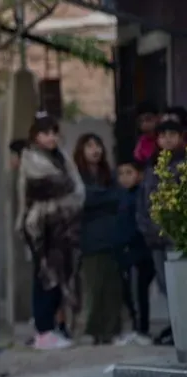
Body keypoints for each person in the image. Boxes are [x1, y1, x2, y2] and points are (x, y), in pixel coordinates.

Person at [17, 116, 84, 350]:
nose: (51, 137)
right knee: (45, 277)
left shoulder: (62, 157)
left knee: (62, 276)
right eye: (45, 133)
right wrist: (66, 187)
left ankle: (55, 326)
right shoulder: (31, 158)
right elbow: (53, 186)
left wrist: (68, 189)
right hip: (41, 228)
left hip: (64, 227)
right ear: (36, 136)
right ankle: (43, 330)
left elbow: (77, 188)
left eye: (54, 133)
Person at [72, 133, 124, 344]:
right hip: (89, 240)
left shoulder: (108, 175)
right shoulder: (77, 175)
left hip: (111, 238)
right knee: (93, 287)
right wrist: (102, 198)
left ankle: (111, 331)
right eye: (90, 146)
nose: (95, 150)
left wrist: (99, 198)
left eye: (98, 145)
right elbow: (84, 198)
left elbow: (117, 197)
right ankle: (90, 331)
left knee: (112, 288)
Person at [136, 117, 185, 345]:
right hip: (154, 237)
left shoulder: (183, 163)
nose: (167, 139)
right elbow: (143, 201)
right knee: (166, 286)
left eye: (172, 135)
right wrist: (146, 228)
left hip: (178, 236)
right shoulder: (151, 165)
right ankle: (177, 329)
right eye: (163, 135)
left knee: (181, 284)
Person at [116, 160, 156, 344]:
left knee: (138, 291)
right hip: (127, 249)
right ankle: (136, 327)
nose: (124, 178)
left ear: (139, 174)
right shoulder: (122, 196)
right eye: (121, 174)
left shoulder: (141, 194)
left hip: (141, 249)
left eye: (129, 172)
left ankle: (141, 329)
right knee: (130, 292)